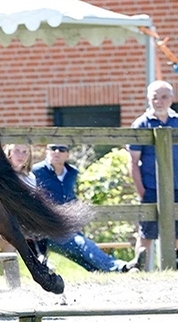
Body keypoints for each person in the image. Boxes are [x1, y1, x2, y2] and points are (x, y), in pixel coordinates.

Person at [32, 144, 136, 273]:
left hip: (68, 226)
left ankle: (104, 272)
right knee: (82, 245)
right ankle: (122, 267)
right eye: (53, 149)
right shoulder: (36, 171)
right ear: (47, 152)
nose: (57, 152)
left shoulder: (72, 172)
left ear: (67, 154)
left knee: (78, 252)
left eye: (61, 149)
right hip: (47, 230)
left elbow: (71, 197)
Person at [127, 80, 178, 267]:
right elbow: (132, 161)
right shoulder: (141, 124)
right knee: (146, 233)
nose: (159, 101)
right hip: (151, 187)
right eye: (154, 97)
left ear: (171, 98)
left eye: (164, 97)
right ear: (149, 99)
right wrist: (141, 190)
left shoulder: (177, 121)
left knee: (176, 232)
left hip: (177, 187)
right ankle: (140, 270)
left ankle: (170, 269)